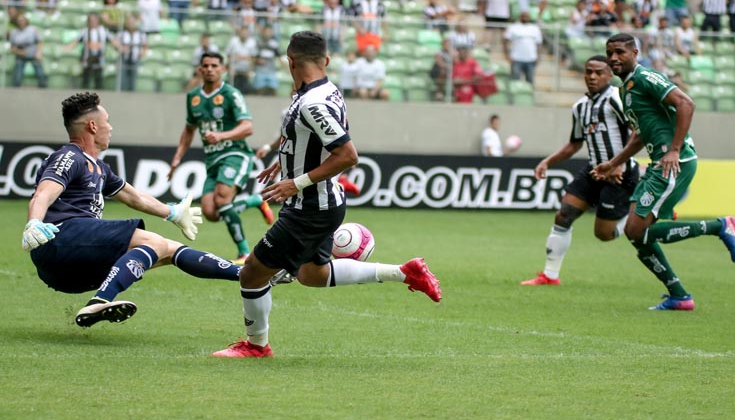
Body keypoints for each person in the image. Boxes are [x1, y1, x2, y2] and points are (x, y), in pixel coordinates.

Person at [212, 31, 441, 358]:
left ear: (290, 62)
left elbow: (348, 155)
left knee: (252, 272)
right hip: (321, 202)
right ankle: (404, 272)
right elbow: (311, 140)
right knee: (312, 275)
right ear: (327, 61)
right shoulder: (323, 90)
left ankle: (256, 346)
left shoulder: (312, 103)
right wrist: (284, 163)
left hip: (309, 207)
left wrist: (296, 182)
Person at [22, 92, 241, 328]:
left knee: (169, 249)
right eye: (107, 121)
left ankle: (245, 274)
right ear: (93, 126)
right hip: (60, 238)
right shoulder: (69, 157)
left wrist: (172, 212)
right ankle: (100, 301)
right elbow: (43, 193)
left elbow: (133, 196)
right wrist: (33, 223)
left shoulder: (100, 168)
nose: (111, 127)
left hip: (67, 273)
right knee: (154, 242)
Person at [591, 33, 735, 311]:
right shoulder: (626, 89)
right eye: (609, 52)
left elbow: (686, 103)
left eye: (620, 52)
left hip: (674, 161)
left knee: (636, 230)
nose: (613, 58)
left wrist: (674, 149)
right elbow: (639, 134)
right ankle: (680, 296)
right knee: (637, 234)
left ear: (635, 53)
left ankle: (720, 226)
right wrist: (615, 162)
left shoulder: (647, 77)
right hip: (659, 163)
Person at [521, 56, 638, 285]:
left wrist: (618, 163)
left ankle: (641, 214)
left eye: (598, 72)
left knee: (603, 234)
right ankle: (550, 275)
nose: (592, 77)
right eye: (588, 72)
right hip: (594, 170)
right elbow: (574, 144)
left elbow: (637, 132)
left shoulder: (617, 99)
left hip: (618, 173)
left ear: (610, 75)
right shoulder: (580, 107)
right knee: (564, 215)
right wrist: (548, 162)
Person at [169, 52, 274, 264]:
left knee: (222, 198)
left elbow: (247, 127)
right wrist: (177, 158)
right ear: (199, 69)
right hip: (212, 159)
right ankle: (255, 200)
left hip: (236, 153)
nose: (209, 69)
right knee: (211, 212)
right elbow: (189, 130)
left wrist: (221, 136)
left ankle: (244, 252)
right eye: (205, 65)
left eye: (214, 65)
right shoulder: (193, 97)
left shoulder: (231, 94)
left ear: (223, 69)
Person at [10, 13, 47, 88]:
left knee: (41, 75)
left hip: (33, 53)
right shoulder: (14, 32)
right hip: (20, 55)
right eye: (19, 20)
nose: (21, 22)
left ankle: (44, 90)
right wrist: (21, 52)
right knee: (17, 77)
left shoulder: (32, 29)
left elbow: (40, 41)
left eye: (23, 20)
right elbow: (12, 48)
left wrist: (38, 52)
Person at [504, 11, 542, 84]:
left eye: (526, 16)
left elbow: (539, 44)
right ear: (520, 17)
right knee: (515, 81)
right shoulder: (513, 27)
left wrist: (538, 56)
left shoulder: (535, 28)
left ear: (529, 18)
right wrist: (507, 54)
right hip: (516, 58)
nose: (525, 18)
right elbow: (505, 41)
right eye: (523, 16)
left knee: (530, 80)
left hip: (531, 59)